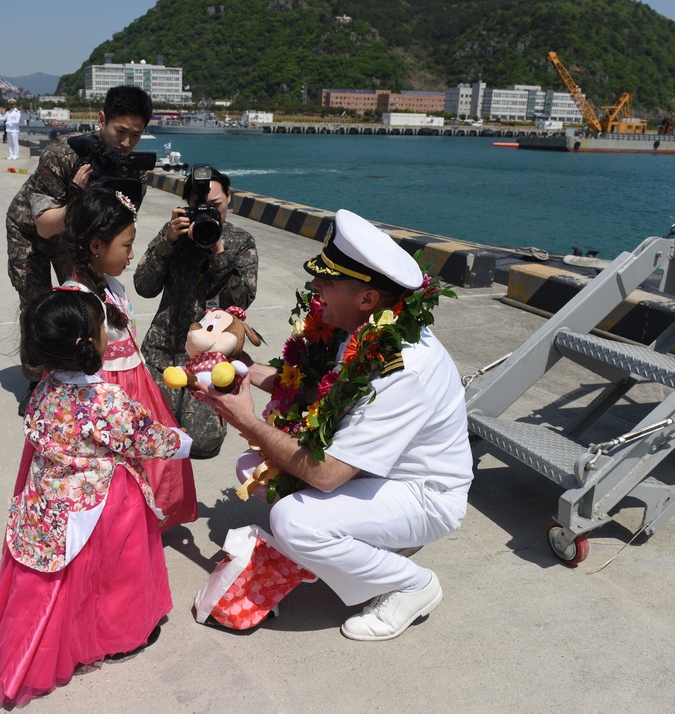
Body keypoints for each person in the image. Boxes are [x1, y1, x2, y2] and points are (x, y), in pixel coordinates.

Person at [194, 209, 473, 641]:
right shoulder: (362, 330)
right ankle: (364, 546)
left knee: (293, 521)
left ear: (366, 299)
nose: (315, 287)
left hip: (424, 494)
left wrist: (245, 418)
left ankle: (411, 584)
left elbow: (326, 475)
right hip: (380, 472)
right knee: (254, 469)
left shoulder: (402, 369)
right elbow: (315, 392)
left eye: (326, 282)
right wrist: (239, 368)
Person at [0, 288, 191, 705]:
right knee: (120, 569)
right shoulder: (101, 398)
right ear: (91, 343)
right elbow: (143, 436)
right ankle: (120, 634)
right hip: (101, 496)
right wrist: (181, 441)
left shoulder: (43, 388)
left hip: (50, 495)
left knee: (57, 575)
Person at [5, 85, 152, 414]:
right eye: (120, 131)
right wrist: (79, 196)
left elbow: (121, 223)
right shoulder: (65, 153)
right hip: (33, 232)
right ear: (102, 120)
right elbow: (44, 223)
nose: (127, 143)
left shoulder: (133, 169)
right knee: (37, 306)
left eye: (136, 135)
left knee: (85, 304)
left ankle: (82, 374)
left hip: (78, 236)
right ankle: (37, 382)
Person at [62, 188, 199, 530]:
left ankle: (140, 523)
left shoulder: (112, 287)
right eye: (126, 245)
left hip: (136, 386)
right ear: (96, 246)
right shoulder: (78, 298)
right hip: (107, 395)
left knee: (150, 464)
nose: (131, 254)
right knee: (114, 468)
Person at [133, 165, 258, 458]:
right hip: (162, 352)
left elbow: (240, 300)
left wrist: (218, 253)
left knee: (202, 444)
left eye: (215, 206)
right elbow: (143, 286)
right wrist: (167, 243)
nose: (209, 213)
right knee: (147, 434)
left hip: (209, 361)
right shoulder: (174, 235)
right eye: (199, 206)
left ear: (229, 198)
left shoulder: (240, 242)